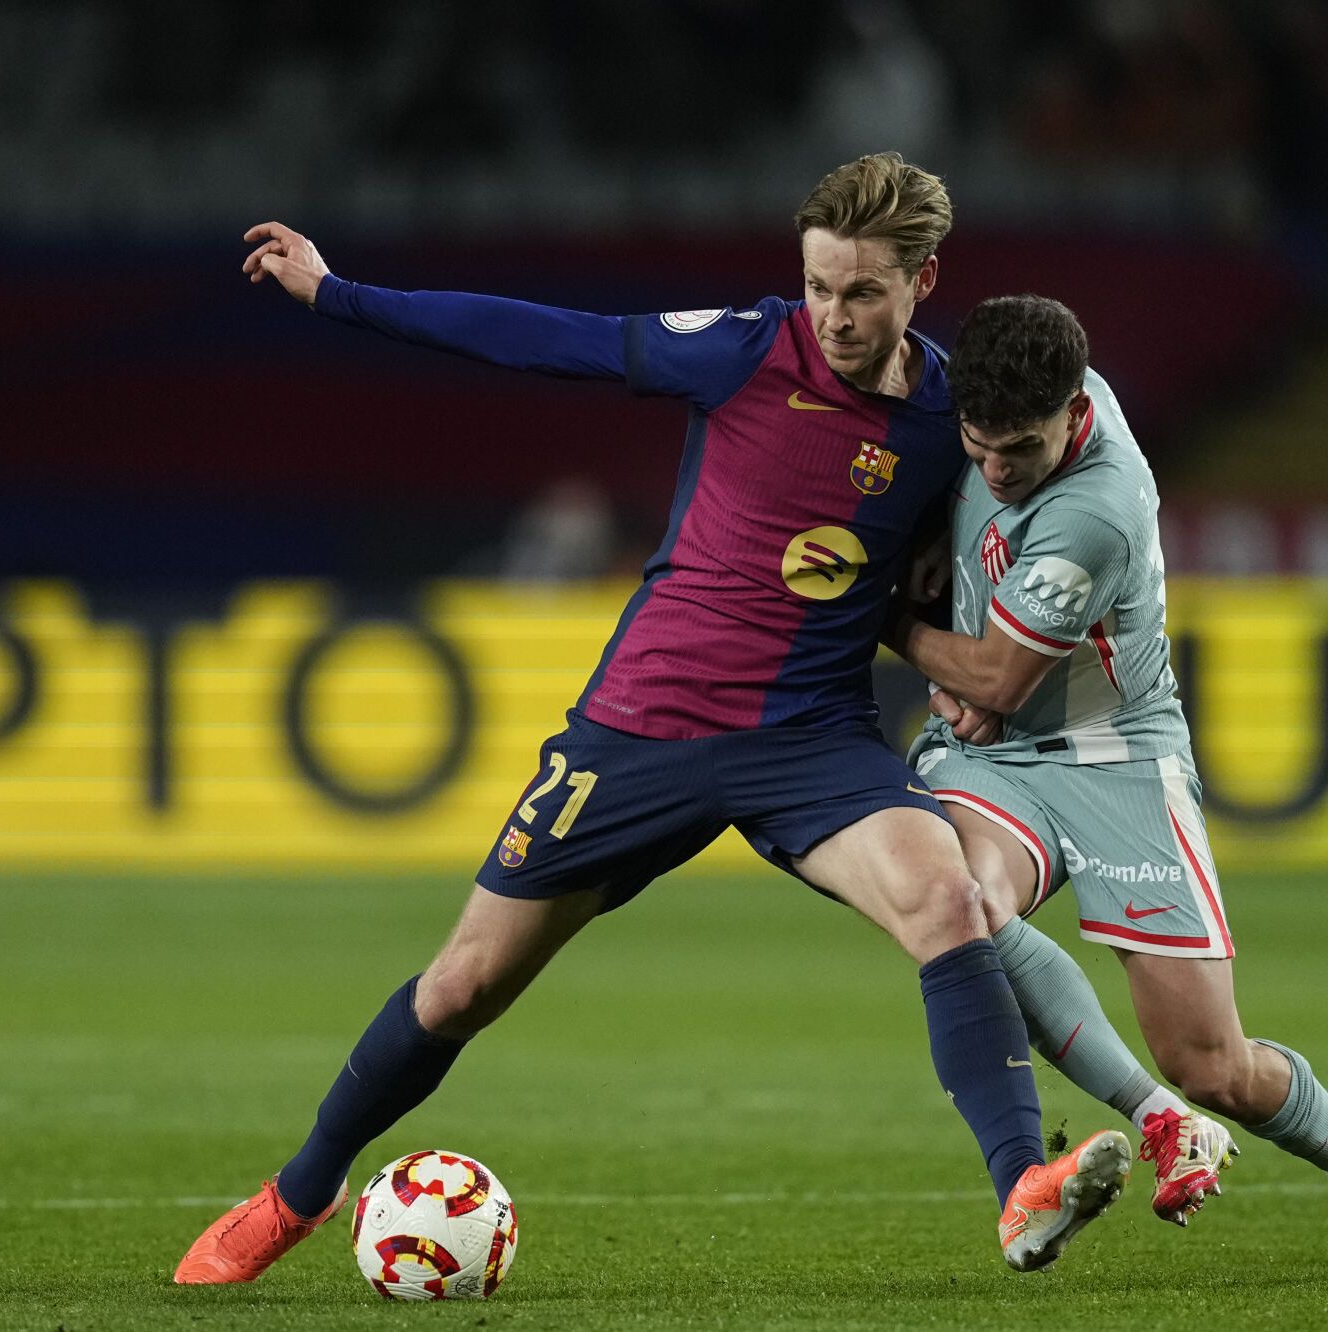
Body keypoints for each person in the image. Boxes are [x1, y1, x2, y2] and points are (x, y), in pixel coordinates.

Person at [173, 155, 1128, 1286]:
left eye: (860, 292)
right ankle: (300, 1190)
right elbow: (543, 336)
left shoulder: (947, 420)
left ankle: (1021, 1184)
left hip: (807, 742)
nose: (831, 314)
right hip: (639, 728)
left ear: (923, 281)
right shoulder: (739, 348)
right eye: (818, 284)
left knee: (945, 898)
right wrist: (338, 293)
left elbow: (1003, 539)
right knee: (463, 985)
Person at [884, 294, 1328, 1281]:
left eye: (1021, 448)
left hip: (1115, 751)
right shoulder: (987, 420)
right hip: (989, 759)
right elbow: (984, 683)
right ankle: (1157, 1120)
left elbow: (998, 679)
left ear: (1074, 411)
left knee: (1211, 1062)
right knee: (959, 903)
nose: (997, 471)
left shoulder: (1096, 508)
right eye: (980, 446)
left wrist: (884, 617)